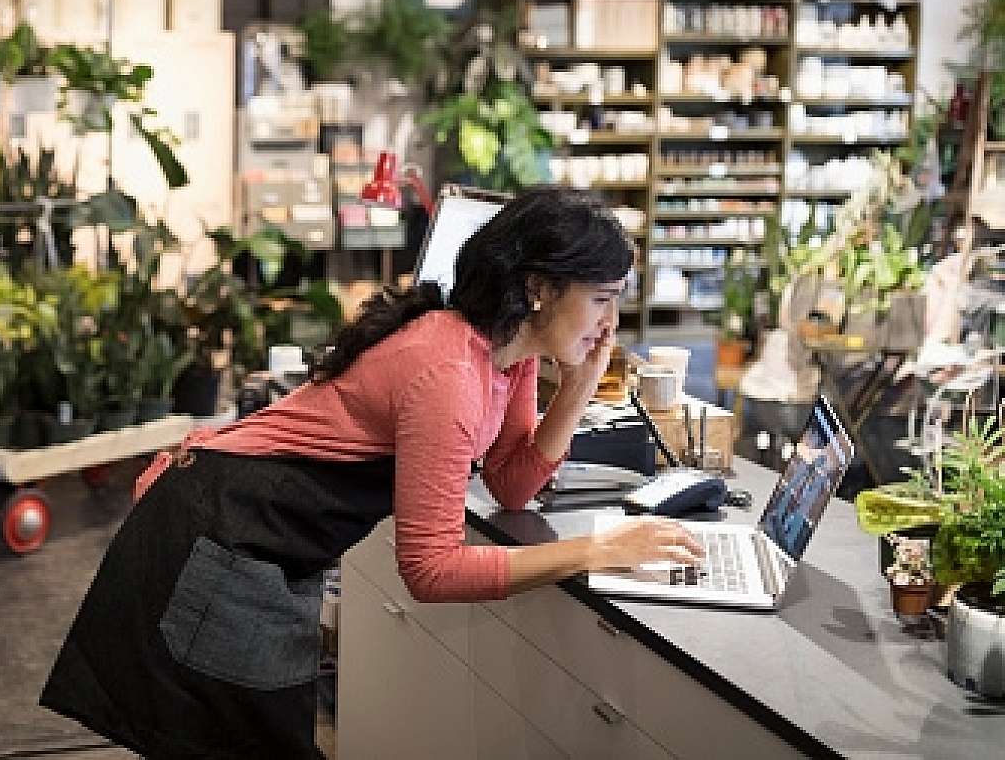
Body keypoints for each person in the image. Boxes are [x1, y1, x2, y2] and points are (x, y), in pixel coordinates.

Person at [40, 186, 705, 758]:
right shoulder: (449, 371)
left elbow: (509, 483)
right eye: (601, 300)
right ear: (538, 289)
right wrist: (596, 551)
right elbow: (432, 568)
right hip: (221, 544)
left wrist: (576, 390)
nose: (612, 324)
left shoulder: (508, 351)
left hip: (252, 541)